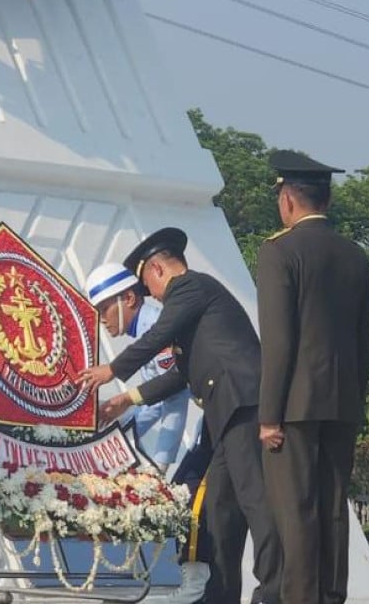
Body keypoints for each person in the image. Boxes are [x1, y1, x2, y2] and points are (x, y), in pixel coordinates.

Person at [79, 229, 282, 604]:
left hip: (243, 406)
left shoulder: (189, 287)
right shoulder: (190, 303)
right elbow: (180, 373)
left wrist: (113, 369)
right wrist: (129, 398)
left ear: (156, 268)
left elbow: (159, 334)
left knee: (257, 503)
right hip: (225, 415)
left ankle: (274, 594)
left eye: (146, 284)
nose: (149, 295)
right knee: (219, 508)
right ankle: (219, 596)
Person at [255, 151, 369, 604]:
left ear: (288, 200)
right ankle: (330, 597)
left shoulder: (279, 252)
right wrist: (354, 402)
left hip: (294, 408)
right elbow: (365, 343)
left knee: (297, 512)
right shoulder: (356, 257)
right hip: (342, 404)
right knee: (332, 510)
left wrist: (270, 416)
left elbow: (279, 340)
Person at [83, 262, 211, 603]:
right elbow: (154, 396)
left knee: (191, 499)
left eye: (104, 309)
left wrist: (157, 463)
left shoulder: (156, 324)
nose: (103, 320)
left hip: (218, 419)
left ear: (128, 298)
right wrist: (124, 410)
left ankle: (193, 588)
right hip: (206, 420)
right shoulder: (147, 327)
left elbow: (174, 395)